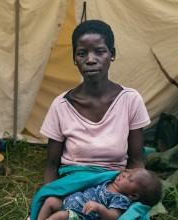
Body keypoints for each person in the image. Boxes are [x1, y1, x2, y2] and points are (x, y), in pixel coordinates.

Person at [30, 19, 152, 220]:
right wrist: (49, 196)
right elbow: (52, 165)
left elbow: (136, 160)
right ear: (74, 59)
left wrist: (136, 201)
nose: (90, 59)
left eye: (100, 51)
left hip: (115, 187)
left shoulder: (130, 100)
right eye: (82, 53)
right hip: (73, 185)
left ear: (112, 54)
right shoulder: (61, 105)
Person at [37, 168, 163, 220]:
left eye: (129, 178)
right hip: (68, 203)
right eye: (127, 171)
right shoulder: (108, 180)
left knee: (60, 216)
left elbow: (113, 216)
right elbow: (87, 181)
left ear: (133, 196)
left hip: (79, 215)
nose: (124, 174)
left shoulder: (121, 199)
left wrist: (99, 207)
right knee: (50, 201)